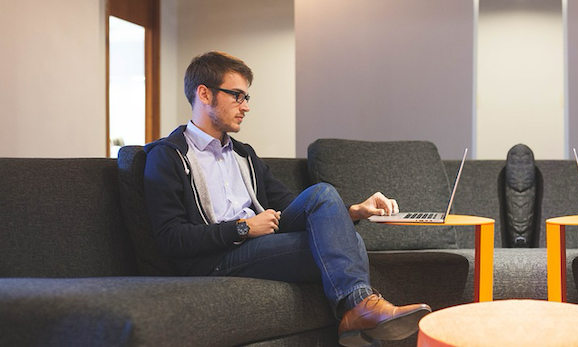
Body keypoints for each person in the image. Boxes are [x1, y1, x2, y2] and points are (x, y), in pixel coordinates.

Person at [143, 51, 430, 347]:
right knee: (349, 245)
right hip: (214, 259)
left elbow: (299, 207)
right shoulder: (168, 156)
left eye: (247, 98)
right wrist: (243, 228)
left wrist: (354, 212)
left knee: (323, 195)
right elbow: (171, 238)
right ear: (204, 93)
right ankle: (359, 311)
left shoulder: (243, 154)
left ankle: (357, 314)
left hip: (258, 244)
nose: (245, 107)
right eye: (237, 96)